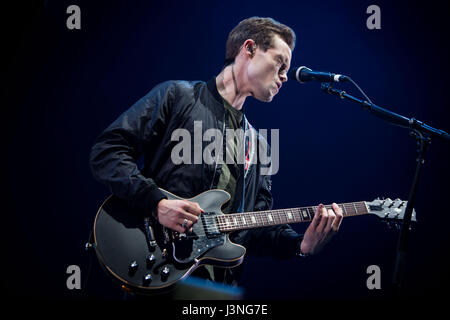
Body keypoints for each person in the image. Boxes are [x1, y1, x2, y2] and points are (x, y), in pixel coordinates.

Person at [89, 17, 343, 294]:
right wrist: (156, 202)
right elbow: (108, 151)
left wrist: (301, 246)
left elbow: (255, 226)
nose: (284, 76)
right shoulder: (177, 96)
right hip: (154, 267)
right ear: (249, 48)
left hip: (215, 285)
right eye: (280, 63)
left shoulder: (258, 145)